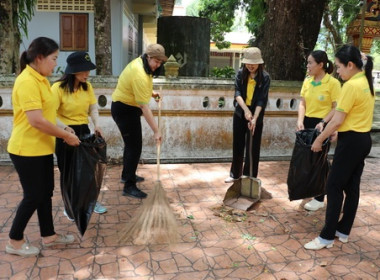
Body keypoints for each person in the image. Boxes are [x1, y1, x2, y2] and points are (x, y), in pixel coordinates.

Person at [6, 37, 80, 257]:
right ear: (39, 58)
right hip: (26, 149)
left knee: (45, 192)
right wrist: (65, 138)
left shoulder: (41, 79)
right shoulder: (27, 81)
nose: (56, 63)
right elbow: (36, 121)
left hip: (41, 148)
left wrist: (64, 127)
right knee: (33, 195)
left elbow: (47, 113)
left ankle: (49, 236)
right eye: (54, 58)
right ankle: (14, 241)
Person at [304, 45, 374, 250]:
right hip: (361, 140)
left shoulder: (351, 86)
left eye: (339, 67)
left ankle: (326, 236)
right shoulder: (365, 82)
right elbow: (352, 116)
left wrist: (319, 140)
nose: (338, 71)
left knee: (333, 186)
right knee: (351, 187)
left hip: (351, 143)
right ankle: (342, 231)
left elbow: (337, 120)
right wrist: (337, 131)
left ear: (350, 65)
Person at [52, 51, 107, 221]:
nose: (87, 74)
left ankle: (90, 202)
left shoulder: (87, 87)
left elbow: (93, 108)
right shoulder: (57, 88)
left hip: (84, 131)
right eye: (83, 71)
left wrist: (96, 124)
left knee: (88, 170)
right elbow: (50, 114)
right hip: (64, 133)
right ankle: (70, 207)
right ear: (73, 70)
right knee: (69, 172)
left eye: (88, 70)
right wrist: (65, 128)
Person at [111, 44, 166, 198]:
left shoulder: (143, 65)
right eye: (156, 61)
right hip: (124, 110)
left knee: (131, 145)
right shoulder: (139, 72)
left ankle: (126, 175)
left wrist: (153, 93)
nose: (158, 65)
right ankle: (129, 186)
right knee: (134, 147)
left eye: (160, 62)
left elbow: (141, 89)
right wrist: (156, 131)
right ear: (148, 57)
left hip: (129, 108)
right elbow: (144, 106)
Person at [296, 50, 341, 211]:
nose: (307, 66)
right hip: (307, 122)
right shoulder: (307, 81)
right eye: (307, 62)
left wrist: (324, 122)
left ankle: (320, 198)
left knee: (319, 161)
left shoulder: (333, 83)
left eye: (310, 63)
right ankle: (314, 189)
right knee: (308, 159)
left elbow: (336, 108)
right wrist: (300, 120)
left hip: (322, 125)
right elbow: (302, 103)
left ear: (321, 65)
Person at [225, 47, 270, 183]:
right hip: (241, 112)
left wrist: (254, 118)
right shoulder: (240, 74)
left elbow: (262, 99)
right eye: (248, 63)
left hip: (256, 113)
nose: (251, 66)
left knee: (253, 146)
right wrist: (245, 110)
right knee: (238, 144)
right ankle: (235, 174)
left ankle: (250, 175)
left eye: (254, 63)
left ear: (259, 63)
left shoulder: (265, 77)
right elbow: (237, 93)